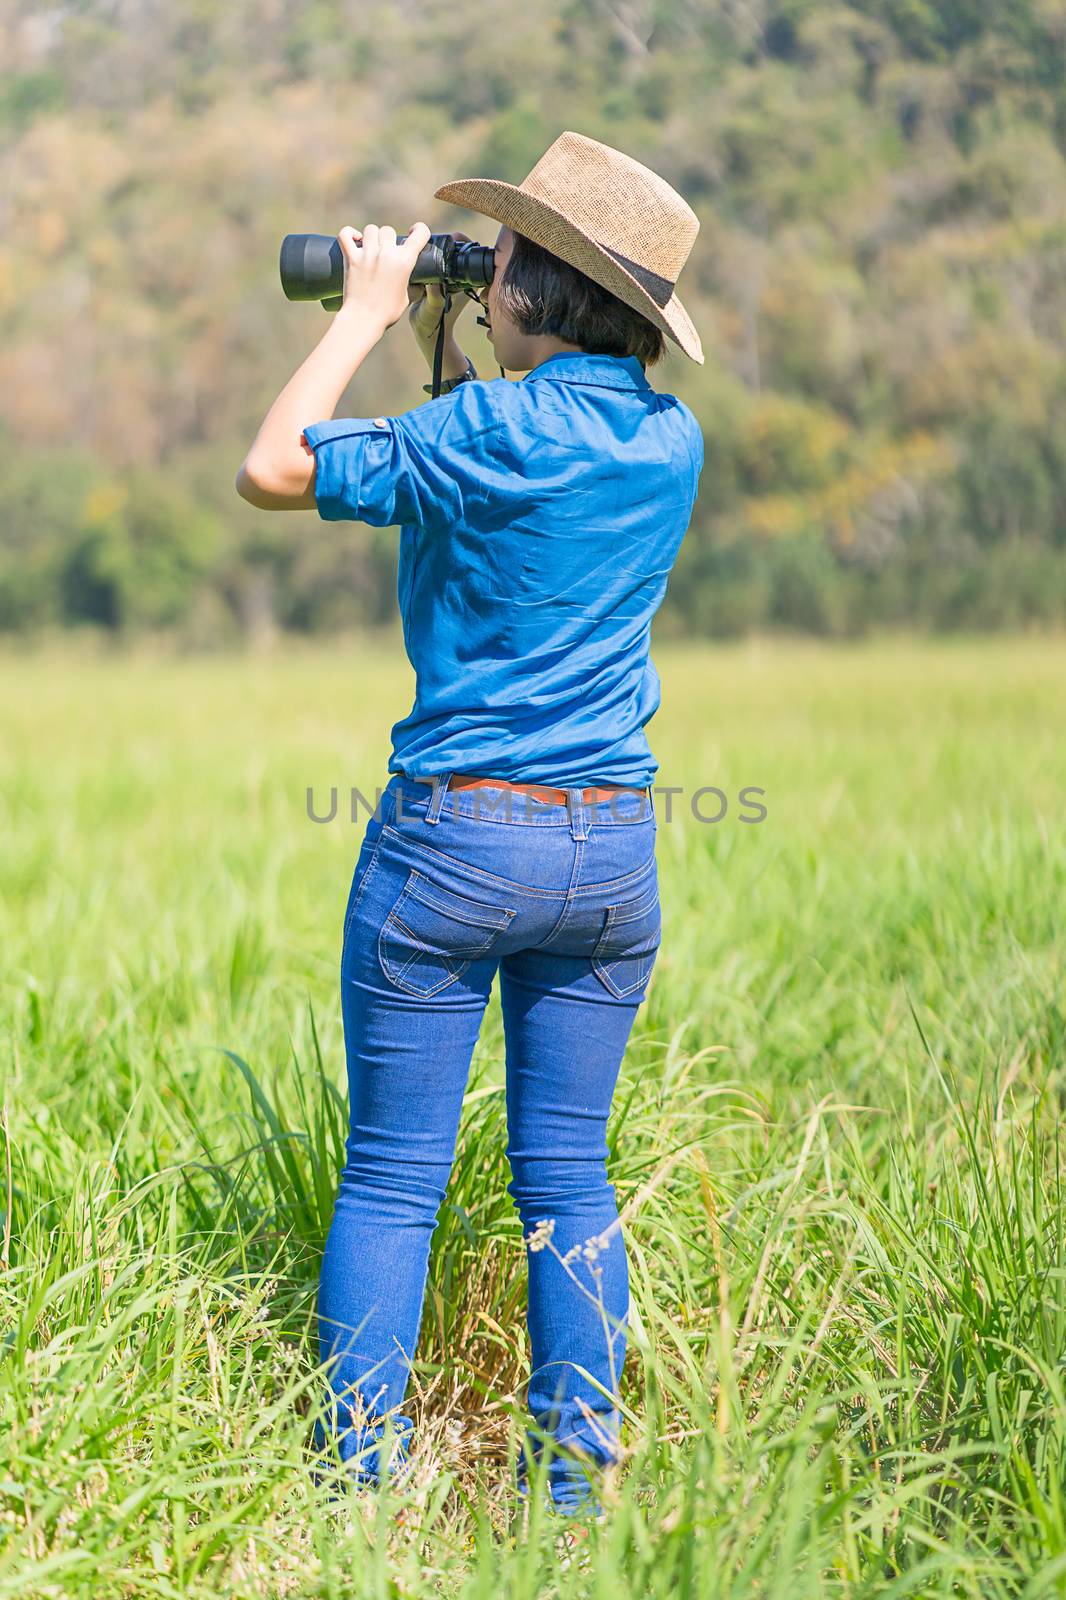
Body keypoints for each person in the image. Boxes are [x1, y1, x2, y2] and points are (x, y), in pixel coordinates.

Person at [236, 131, 705, 1515]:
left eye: (497, 259)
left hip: (455, 840)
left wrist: (373, 313)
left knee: (391, 1183)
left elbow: (275, 467)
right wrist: (459, 323)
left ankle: (359, 1496)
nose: (481, 275)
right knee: (568, 1172)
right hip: (610, 850)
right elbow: (504, 460)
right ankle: (571, 1498)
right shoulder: (669, 441)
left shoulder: (484, 432)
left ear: (535, 288)